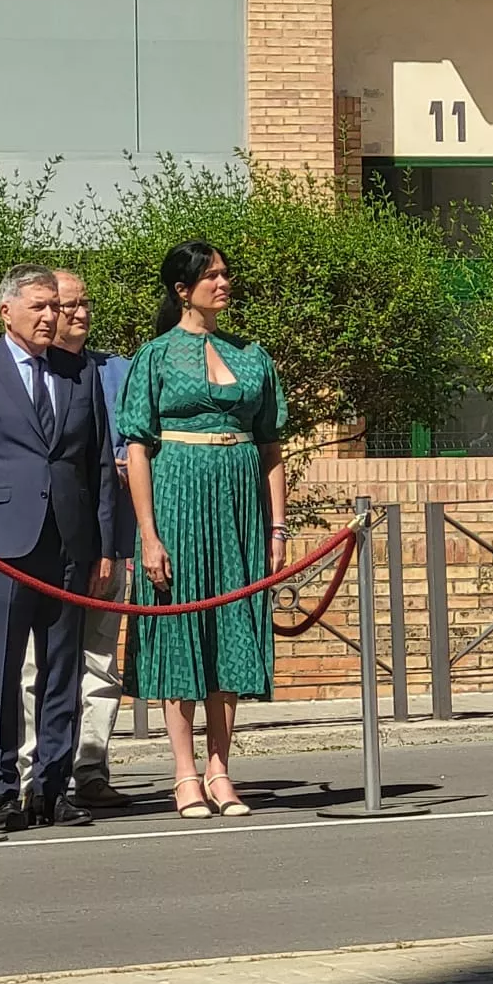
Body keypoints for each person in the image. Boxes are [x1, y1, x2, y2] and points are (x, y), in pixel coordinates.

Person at [117, 242, 288, 820]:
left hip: (239, 506)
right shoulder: (156, 356)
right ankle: (184, 773)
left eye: (224, 272)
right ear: (182, 289)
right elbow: (136, 447)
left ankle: (221, 769)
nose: (223, 281)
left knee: (231, 628)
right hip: (179, 501)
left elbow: (271, 447)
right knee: (181, 628)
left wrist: (277, 527)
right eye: (210, 274)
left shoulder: (252, 355)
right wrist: (148, 534)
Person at [0, 263, 122, 831]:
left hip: (69, 544)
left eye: (57, 306)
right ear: (7, 311)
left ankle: (52, 786)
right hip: (3, 544)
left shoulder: (78, 374)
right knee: (0, 668)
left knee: (62, 669)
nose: (53, 316)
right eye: (40, 307)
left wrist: (101, 545)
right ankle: (1, 789)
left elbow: (98, 463)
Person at [16, 270, 135, 808]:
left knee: (98, 659)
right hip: (45, 544)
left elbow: (139, 446)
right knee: (35, 665)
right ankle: (33, 773)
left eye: (85, 302)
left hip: (109, 541)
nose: (79, 313)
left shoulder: (118, 372)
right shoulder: (25, 375)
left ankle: (90, 767)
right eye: (68, 304)